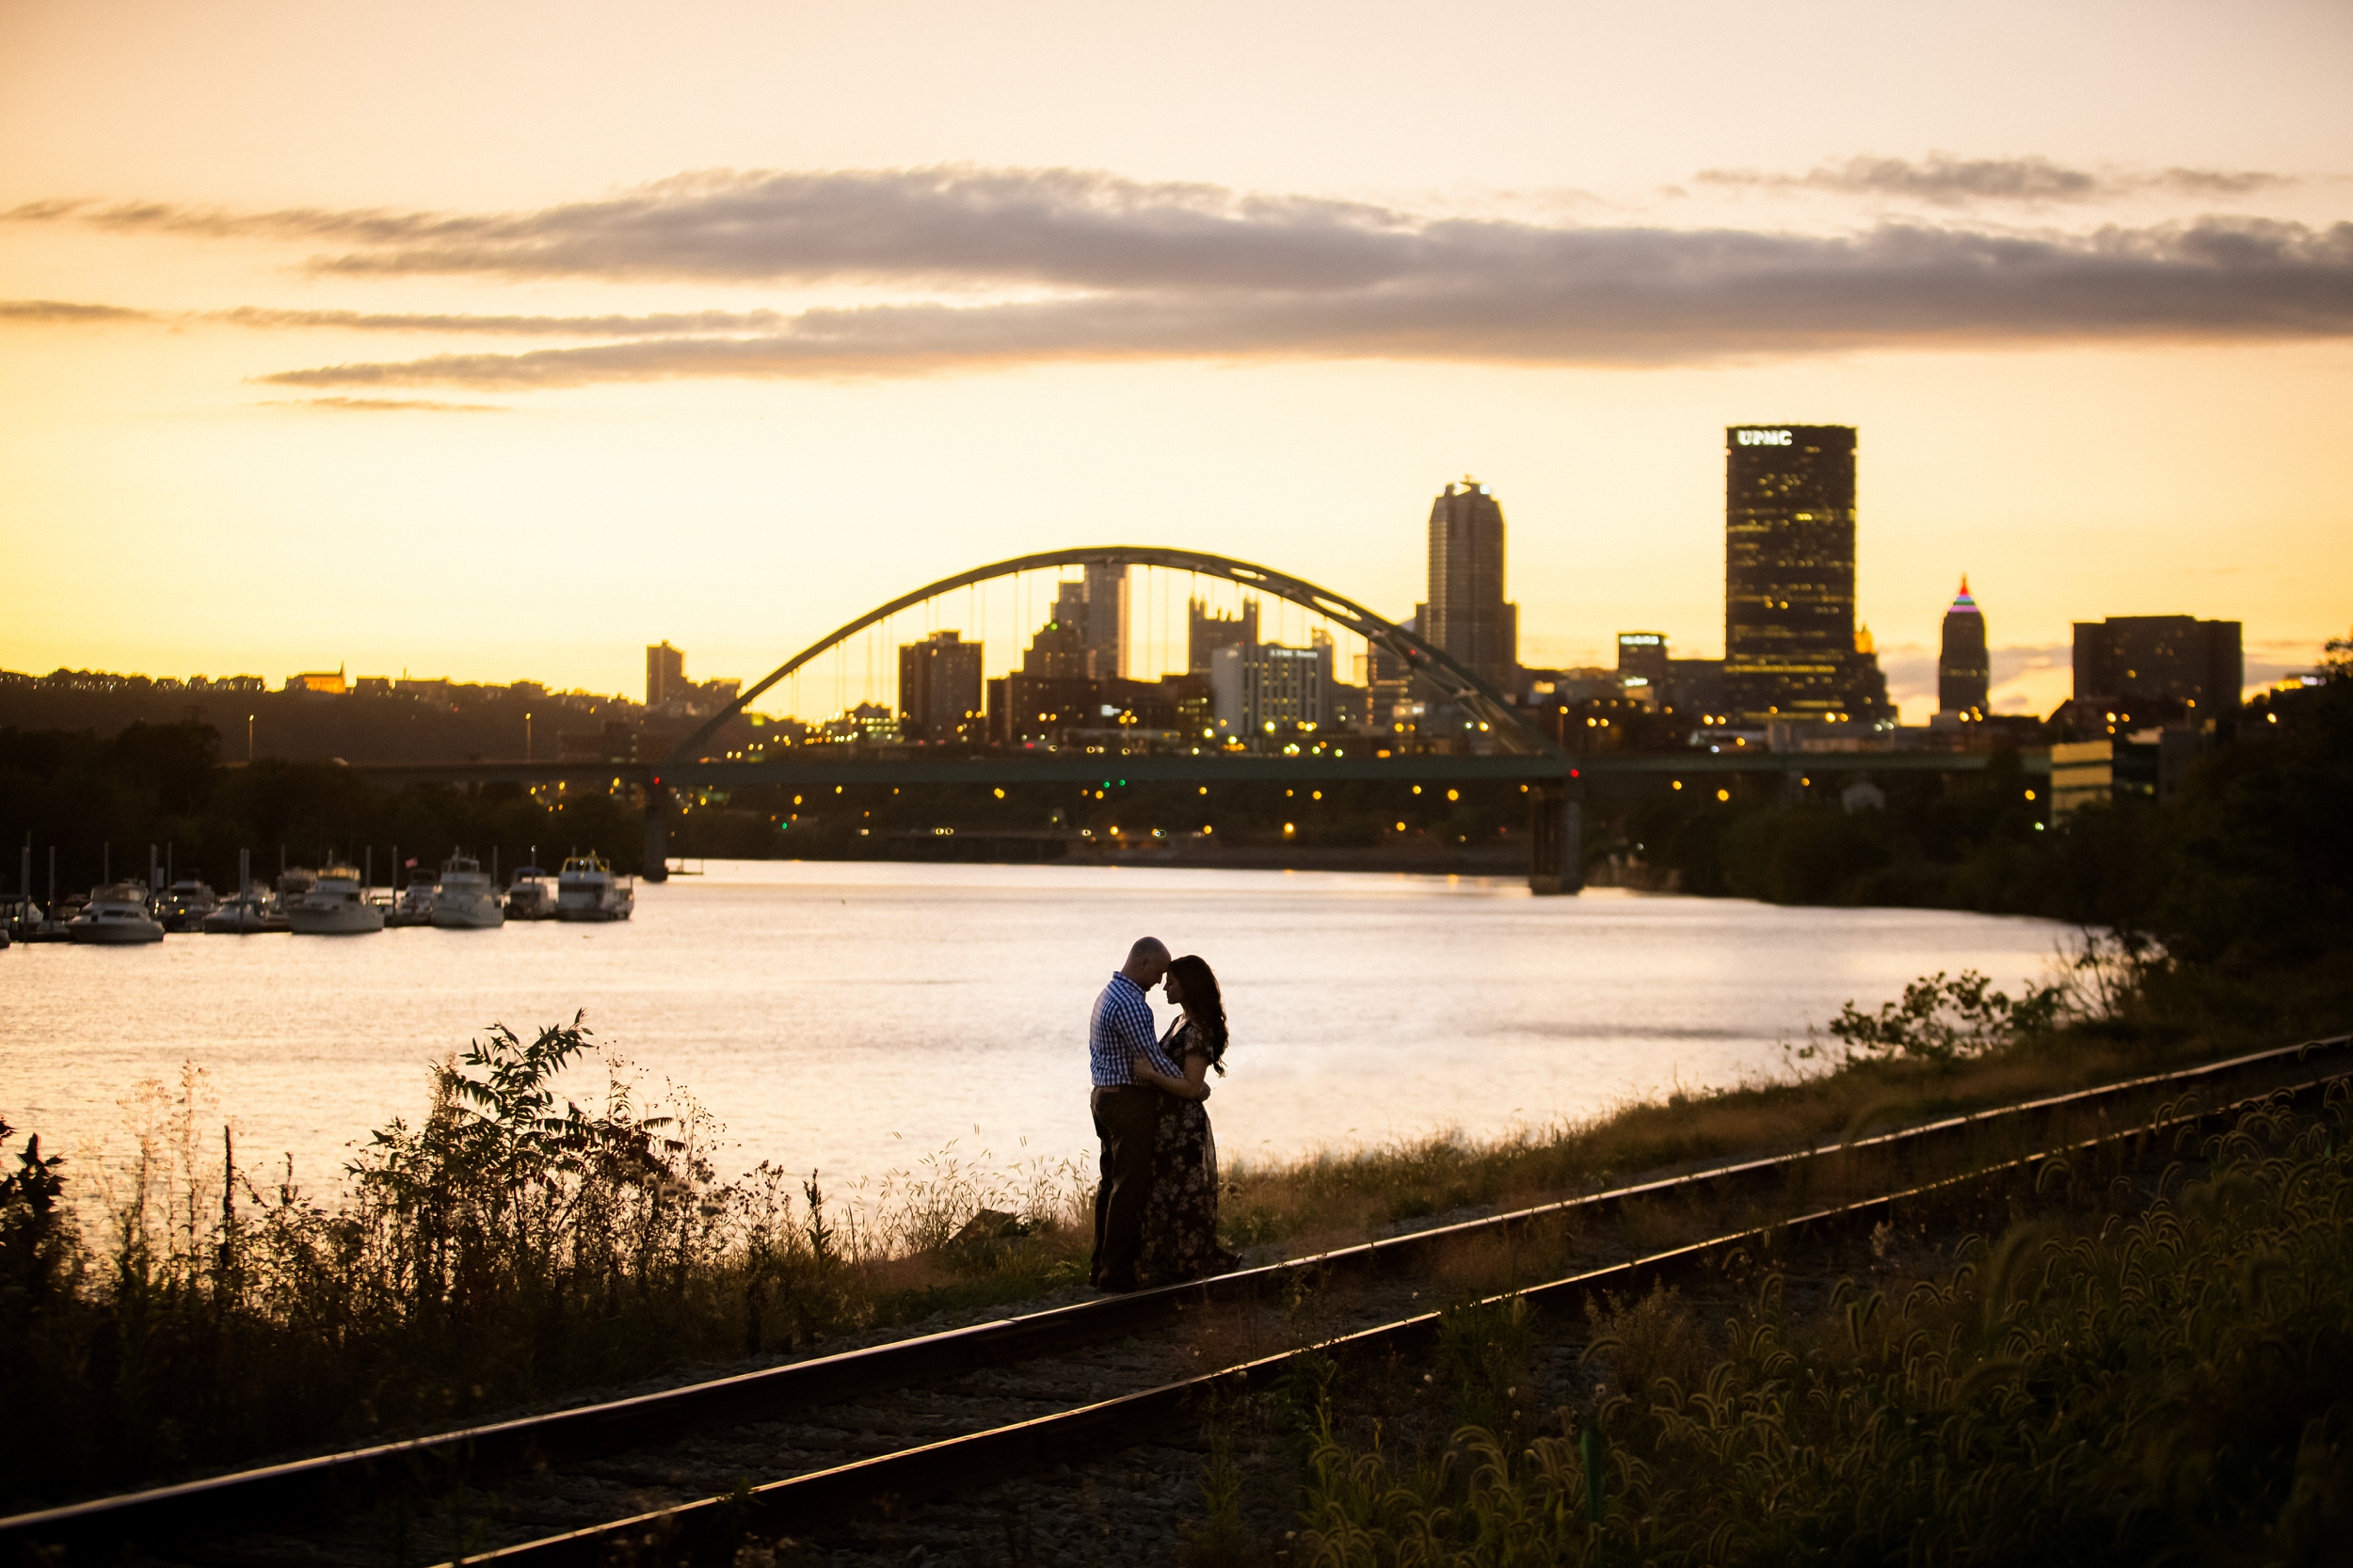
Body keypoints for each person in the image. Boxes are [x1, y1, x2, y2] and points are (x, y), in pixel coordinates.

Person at [1130, 953, 1241, 1286]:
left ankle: (1186, 1265)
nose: (1165, 987)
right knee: (1163, 1193)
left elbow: (1191, 1086)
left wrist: (1150, 1075)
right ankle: (1165, 1263)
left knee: (1183, 1197)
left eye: (1173, 981)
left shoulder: (1198, 1031)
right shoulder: (1180, 1021)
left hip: (1184, 1127)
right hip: (1167, 1123)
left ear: (1188, 986)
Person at [1087, 936, 1189, 1291]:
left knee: (1109, 1184)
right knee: (1128, 1187)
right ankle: (1116, 1274)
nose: (1160, 982)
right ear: (1143, 963)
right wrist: (1192, 1086)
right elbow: (1152, 1060)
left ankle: (1100, 1266)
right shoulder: (1132, 1005)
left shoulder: (1107, 994)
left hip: (1102, 1096)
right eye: (1158, 973)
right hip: (1127, 1102)